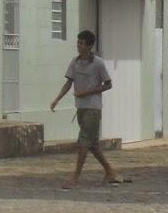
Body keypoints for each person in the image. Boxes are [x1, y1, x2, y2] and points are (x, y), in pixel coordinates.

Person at [50, 29, 125, 187]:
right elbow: (68, 82)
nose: (79, 45)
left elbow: (108, 84)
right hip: (81, 108)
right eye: (78, 42)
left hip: (93, 107)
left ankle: (75, 177)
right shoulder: (74, 62)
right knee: (93, 144)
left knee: (83, 142)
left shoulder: (98, 63)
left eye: (82, 43)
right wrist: (57, 99)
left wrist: (87, 92)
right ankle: (110, 172)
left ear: (89, 45)